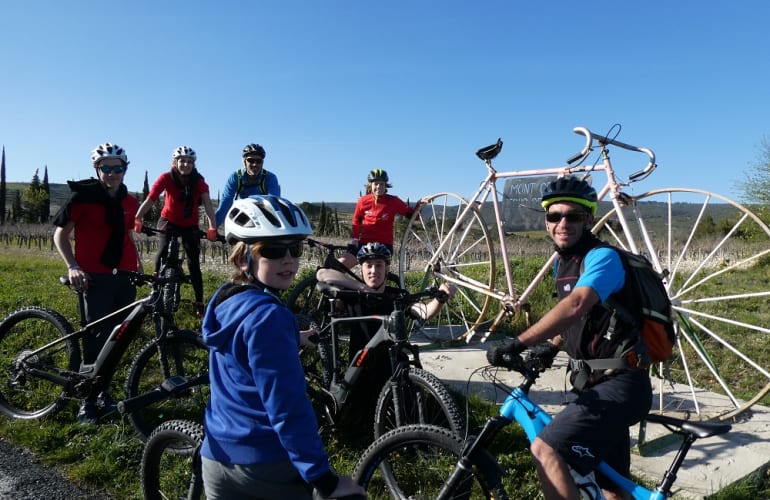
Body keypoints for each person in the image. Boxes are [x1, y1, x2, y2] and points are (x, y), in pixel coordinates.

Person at [485, 177, 652, 500]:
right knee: (611, 485)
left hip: (621, 385)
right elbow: (582, 320)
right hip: (596, 386)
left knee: (547, 449)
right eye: (554, 216)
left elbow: (575, 306)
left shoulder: (602, 258)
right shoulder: (563, 264)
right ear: (546, 221)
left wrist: (519, 342)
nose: (563, 223)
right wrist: (552, 347)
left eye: (573, 216)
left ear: (589, 219)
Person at [200, 195, 365, 499]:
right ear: (242, 257)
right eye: (273, 250)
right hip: (266, 465)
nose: (288, 259)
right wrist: (324, 479)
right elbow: (287, 408)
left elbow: (246, 346)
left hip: (216, 456)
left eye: (295, 249)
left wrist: (292, 335)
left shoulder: (227, 301)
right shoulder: (270, 317)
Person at [316, 242, 455, 435]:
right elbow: (322, 274)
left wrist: (440, 299)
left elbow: (423, 313)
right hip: (360, 372)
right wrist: (361, 288)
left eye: (379, 265)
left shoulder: (396, 296)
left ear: (387, 268)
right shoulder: (353, 295)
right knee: (354, 426)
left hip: (393, 368)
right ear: (361, 269)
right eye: (368, 265)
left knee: (417, 411)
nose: (374, 270)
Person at [52, 142, 142, 424]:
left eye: (117, 168)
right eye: (106, 167)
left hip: (124, 275)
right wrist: (73, 266)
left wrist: (138, 264)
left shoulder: (130, 201)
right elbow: (60, 236)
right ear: (97, 169)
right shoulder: (83, 197)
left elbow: (127, 237)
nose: (112, 173)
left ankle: (101, 391)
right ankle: (86, 401)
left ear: (124, 169)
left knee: (117, 339)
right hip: (93, 276)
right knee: (95, 339)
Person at [134, 146, 217, 318]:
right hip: (168, 221)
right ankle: (155, 288)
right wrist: (138, 217)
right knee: (162, 250)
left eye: (189, 161)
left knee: (193, 262)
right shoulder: (166, 178)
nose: (185, 164)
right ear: (175, 162)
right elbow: (151, 198)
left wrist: (212, 226)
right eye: (182, 160)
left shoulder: (199, 181)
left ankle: (199, 301)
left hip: (189, 224)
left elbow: (208, 205)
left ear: (194, 164)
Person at [340, 169, 421, 268]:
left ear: (386, 185)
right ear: (371, 185)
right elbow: (356, 220)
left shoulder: (393, 201)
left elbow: (414, 217)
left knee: (373, 271)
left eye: (382, 184)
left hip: (384, 245)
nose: (379, 187)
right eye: (376, 184)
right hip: (364, 243)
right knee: (340, 266)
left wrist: (419, 205)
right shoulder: (363, 201)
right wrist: (355, 239)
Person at [214, 143, 281, 227]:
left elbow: (273, 202)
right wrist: (214, 227)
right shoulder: (235, 177)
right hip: (243, 215)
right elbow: (225, 203)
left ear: (262, 162)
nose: (255, 164)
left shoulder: (270, 177)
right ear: (244, 161)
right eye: (251, 160)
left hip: (263, 215)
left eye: (258, 161)